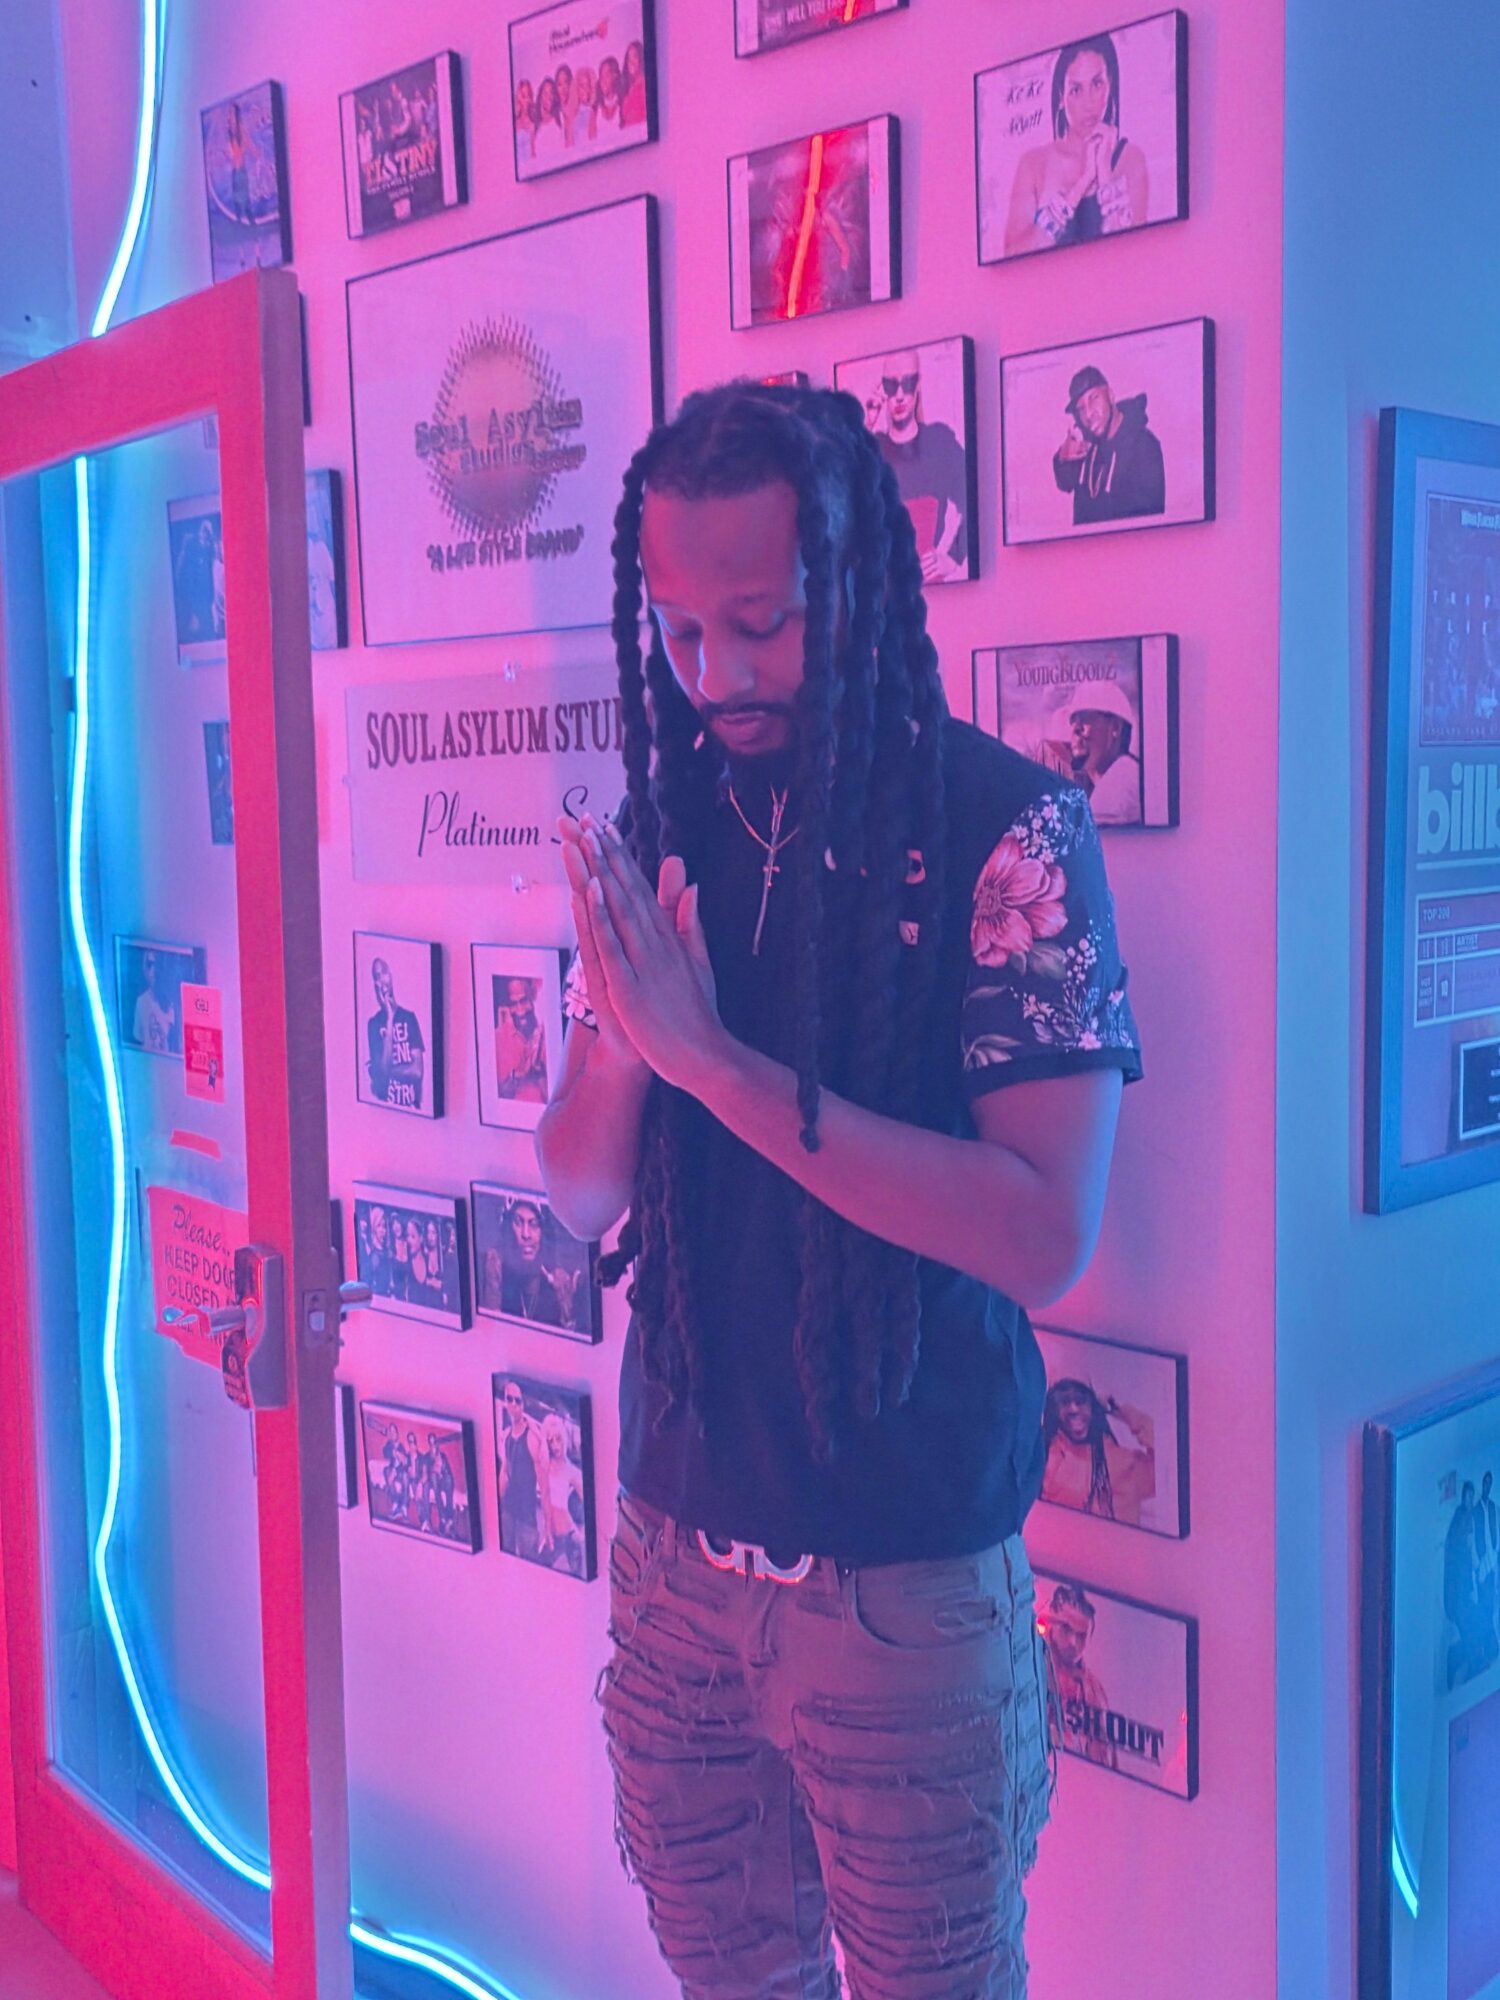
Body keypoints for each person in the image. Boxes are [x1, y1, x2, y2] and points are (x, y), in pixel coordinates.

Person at [536, 380, 1141, 1996]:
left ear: (859, 586)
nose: (716, 676)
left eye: (761, 624)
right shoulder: (666, 822)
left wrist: (720, 1065)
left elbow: (1044, 1233)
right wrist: (627, 1038)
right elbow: (584, 1194)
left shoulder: (1010, 832)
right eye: (676, 633)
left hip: (904, 1591)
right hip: (671, 1570)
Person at [1002, 33, 1149, 257]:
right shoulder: (1033, 164)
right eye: (1076, 90)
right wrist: (1082, 183)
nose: (1088, 102)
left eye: (1097, 84)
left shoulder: (1131, 158)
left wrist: (1104, 174)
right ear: (1061, 96)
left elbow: (1136, 254)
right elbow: (1012, 253)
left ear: (1110, 86)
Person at [863, 348, 969, 585]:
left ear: (918, 385)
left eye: (908, 383)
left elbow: (972, 497)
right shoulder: (873, 448)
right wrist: (866, 422)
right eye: (891, 386)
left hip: (931, 585)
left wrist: (953, 555)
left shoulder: (939, 442)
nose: (899, 395)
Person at [1053, 363, 1165, 527]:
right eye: (1081, 409)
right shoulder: (1088, 444)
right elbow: (1065, 482)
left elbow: (1148, 527)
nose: (1089, 414)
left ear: (1111, 396)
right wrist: (1063, 456)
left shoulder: (1144, 446)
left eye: (1094, 399)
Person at [1041, 1378, 1155, 1526]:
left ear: (1093, 1409)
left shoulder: (1125, 1463)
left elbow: (1170, 1472)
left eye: (1080, 1400)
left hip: (1117, 1547)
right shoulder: (1046, 1460)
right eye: (1064, 1402)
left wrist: (1122, 1411)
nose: (1073, 1409)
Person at [1040, 1582, 1118, 1770]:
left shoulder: (1094, 1691)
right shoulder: (1029, 1664)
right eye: (1066, 1629)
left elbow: (1105, 1760)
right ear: (1052, 1622)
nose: (1073, 1642)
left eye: (1081, 1635)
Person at [1055, 681, 1142, 824]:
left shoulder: (1119, 781)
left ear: (1115, 728)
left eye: (1085, 720)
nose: (1075, 729)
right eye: (1073, 721)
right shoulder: (1116, 777)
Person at [498, 1196, 579, 1330]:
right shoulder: (500, 1273)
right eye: (518, 1223)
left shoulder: (558, 1285)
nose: (525, 1234)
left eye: (534, 1224)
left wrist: (567, 1314)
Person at [364, 956, 426, 1110]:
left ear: (390, 976)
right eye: (376, 977)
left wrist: (387, 1071)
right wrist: (390, 1020)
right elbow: (383, 1071)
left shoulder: (409, 1018)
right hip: (387, 1109)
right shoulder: (373, 1024)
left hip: (413, 1109)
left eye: (384, 973)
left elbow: (417, 1071)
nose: (381, 980)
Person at [497, 1379, 547, 1561]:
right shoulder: (506, 1437)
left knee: (531, 1565)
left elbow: (544, 1484)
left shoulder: (532, 1437)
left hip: (527, 1516)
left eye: (517, 1400)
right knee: (506, 1561)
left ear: (523, 1404)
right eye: (509, 1399)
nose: (512, 1405)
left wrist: (548, 1527)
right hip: (507, 1511)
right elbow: (504, 1472)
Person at [540, 1411, 586, 1573]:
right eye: (550, 1441)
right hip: (550, 1534)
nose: (555, 1446)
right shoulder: (544, 1465)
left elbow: (591, 1508)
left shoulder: (572, 1471)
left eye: (558, 1438)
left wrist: (582, 1535)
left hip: (569, 1536)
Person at [494, 975, 548, 1101]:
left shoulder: (547, 1034)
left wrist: (539, 1070)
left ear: (533, 998)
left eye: (523, 1001)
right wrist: (516, 1075)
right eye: (513, 1003)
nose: (520, 1011)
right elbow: (496, 1096)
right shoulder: (498, 1038)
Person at [131, 948, 178, 1054]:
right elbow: (138, 1039)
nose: (153, 971)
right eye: (149, 964)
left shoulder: (171, 1003)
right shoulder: (141, 1002)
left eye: (157, 965)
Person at [531, 75, 567, 169]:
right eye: (545, 93)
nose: (549, 97)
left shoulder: (560, 118)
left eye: (551, 93)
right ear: (540, 97)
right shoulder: (535, 127)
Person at [620, 40, 648, 127]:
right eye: (628, 58)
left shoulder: (644, 86)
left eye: (635, 56)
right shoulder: (629, 89)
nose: (631, 61)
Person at [570, 66, 597, 149]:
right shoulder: (573, 114)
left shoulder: (591, 113)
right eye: (582, 86)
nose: (585, 89)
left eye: (587, 85)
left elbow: (593, 141)